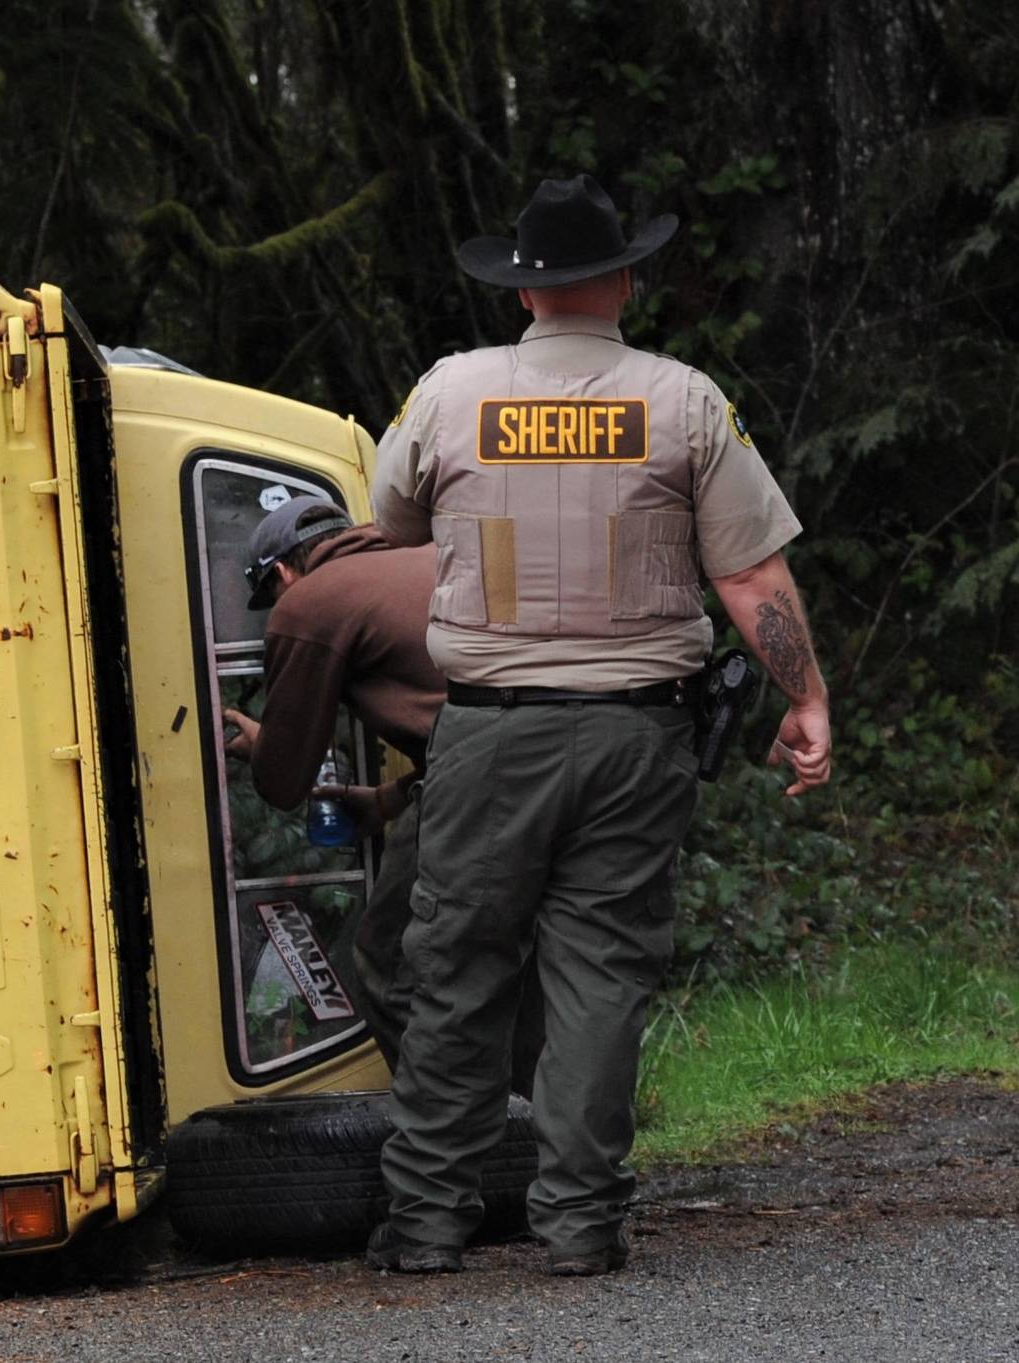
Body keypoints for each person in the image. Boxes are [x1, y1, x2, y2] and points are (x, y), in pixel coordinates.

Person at [364, 174, 833, 1277]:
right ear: (621, 279)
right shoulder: (683, 401)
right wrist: (804, 698)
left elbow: (387, 517)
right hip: (635, 740)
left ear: (523, 294)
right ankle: (577, 1224)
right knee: (597, 978)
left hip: (486, 736)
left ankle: (428, 1221)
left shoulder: (446, 392)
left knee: (457, 969)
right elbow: (751, 575)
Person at [221, 496, 544, 1085]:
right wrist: (391, 798)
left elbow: (283, 782)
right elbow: (472, 713)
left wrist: (266, 742)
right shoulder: (434, 557)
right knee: (526, 972)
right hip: (568, 766)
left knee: (390, 964)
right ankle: (539, 1141)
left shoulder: (311, 603)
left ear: (282, 574)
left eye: (269, 598)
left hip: (483, 786)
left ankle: (449, 1138)